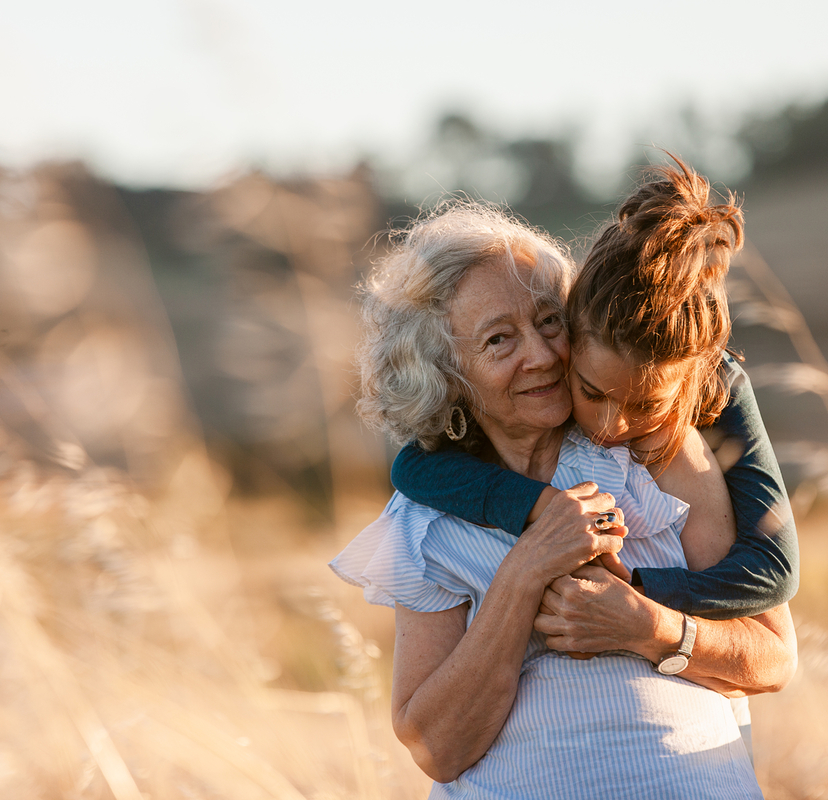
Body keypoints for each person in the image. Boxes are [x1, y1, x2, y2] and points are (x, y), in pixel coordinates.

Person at [333, 185, 795, 799]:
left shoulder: (655, 447)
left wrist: (648, 626)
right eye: (499, 340)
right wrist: (528, 567)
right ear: (444, 371)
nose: (543, 356)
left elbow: (771, 659)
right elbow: (435, 748)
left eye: (549, 321)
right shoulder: (428, 517)